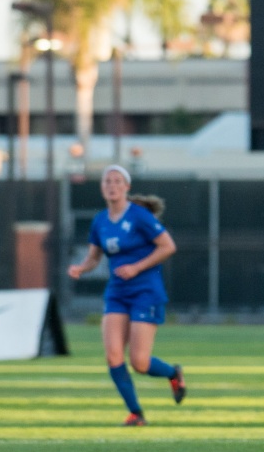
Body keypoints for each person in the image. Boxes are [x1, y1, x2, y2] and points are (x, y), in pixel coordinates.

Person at [68, 165, 187, 426]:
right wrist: (81, 268)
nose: (111, 185)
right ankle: (136, 413)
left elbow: (168, 246)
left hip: (146, 292)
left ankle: (172, 373)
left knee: (140, 363)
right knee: (113, 356)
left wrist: (137, 267)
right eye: (107, 181)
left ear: (126, 187)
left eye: (117, 181)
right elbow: (94, 256)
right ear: (102, 188)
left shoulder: (139, 216)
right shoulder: (100, 220)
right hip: (117, 293)